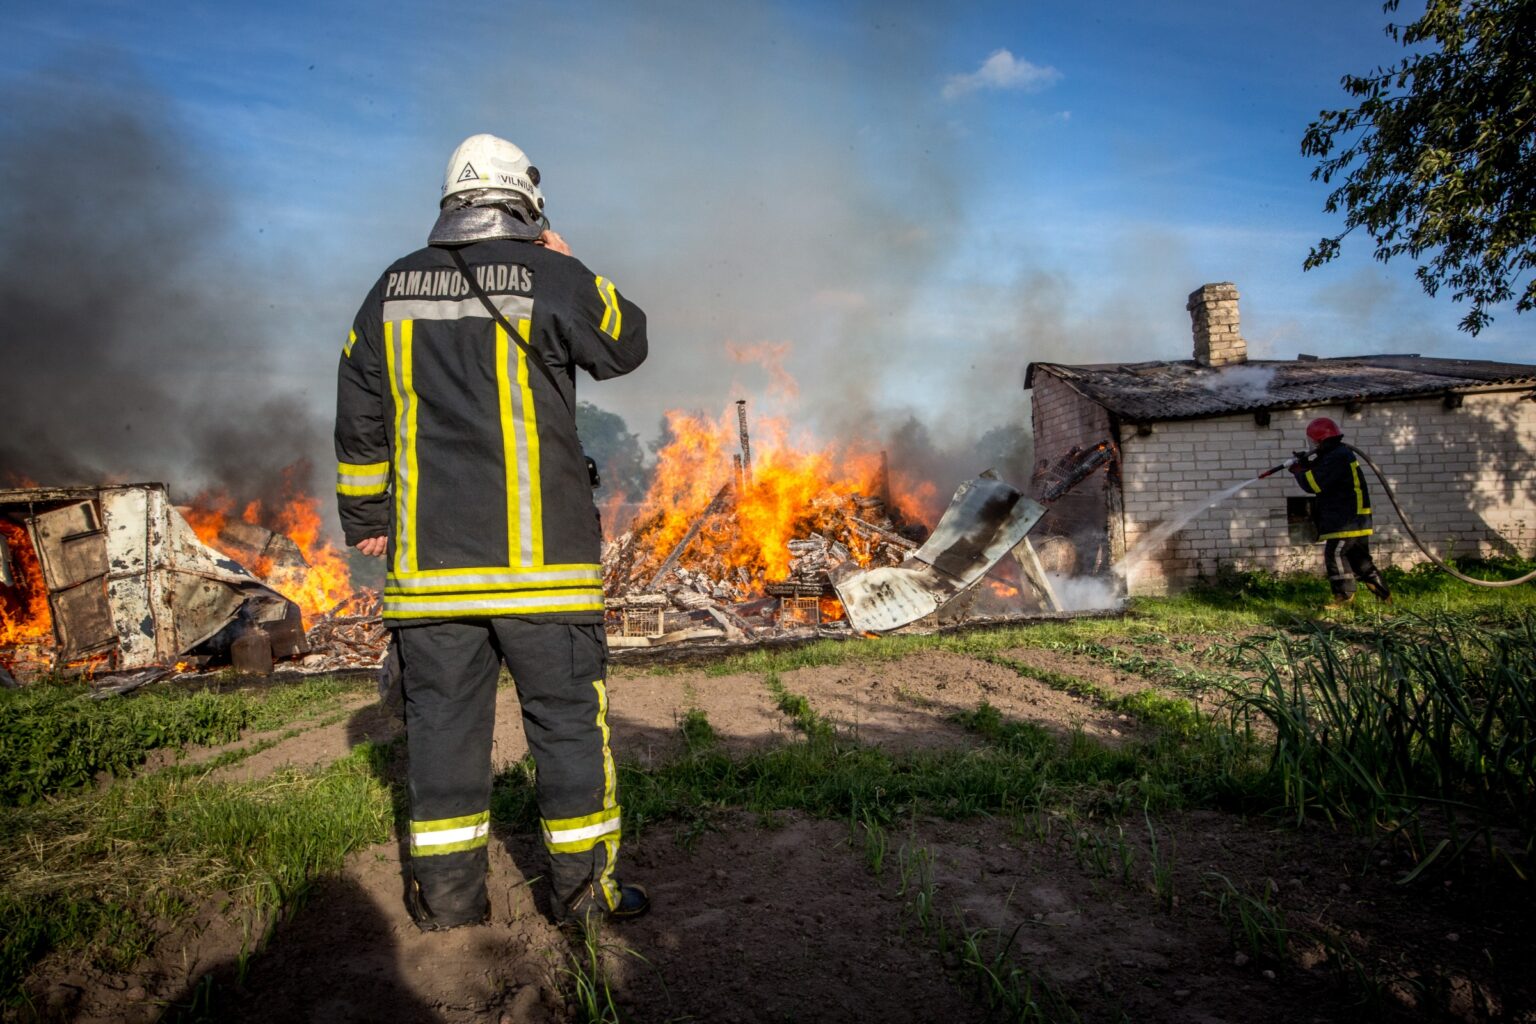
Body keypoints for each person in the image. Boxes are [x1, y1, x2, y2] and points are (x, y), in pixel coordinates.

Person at [334, 133, 649, 930]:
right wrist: (570, 263)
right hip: (544, 573)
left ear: (451, 205)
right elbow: (627, 341)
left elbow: (359, 411)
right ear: (525, 203)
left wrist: (368, 515)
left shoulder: (389, 288)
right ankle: (584, 902)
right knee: (569, 730)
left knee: (441, 741)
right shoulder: (550, 275)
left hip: (432, 576)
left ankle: (447, 910)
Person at [1289, 416, 1391, 606]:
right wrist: (1305, 464)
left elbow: (1314, 484)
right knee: (1360, 562)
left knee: (1335, 553)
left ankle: (1343, 597)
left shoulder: (1337, 456)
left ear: (1320, 439)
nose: (1313, 444)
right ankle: (1386, 598)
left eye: (1313, 440)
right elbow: (1321, 473)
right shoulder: (1336, 454)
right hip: (1352, 517)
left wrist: (1298, 471)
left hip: (1347, 519)